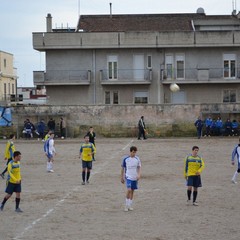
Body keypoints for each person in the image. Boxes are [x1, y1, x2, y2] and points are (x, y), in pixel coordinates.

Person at [121, 146, 141, 212]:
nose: (134, 153)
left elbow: (139, 167)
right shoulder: (126, 159)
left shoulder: (137, 159)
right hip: (128, 177)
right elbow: (122, 168)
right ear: (130, 152)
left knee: (132, 191)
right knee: (129, 190)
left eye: (135, 152)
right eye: (133, 152)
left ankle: (130, 205)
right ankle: (126, 205)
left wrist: (138, 175)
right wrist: (122, 177)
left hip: (134, 177)